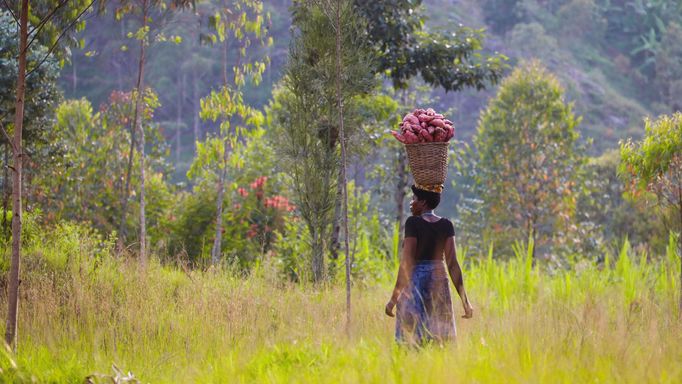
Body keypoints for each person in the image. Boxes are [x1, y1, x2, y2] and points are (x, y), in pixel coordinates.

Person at [385, 185, 473, 346]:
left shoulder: (413, 223)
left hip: (416, 285)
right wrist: (465, 302)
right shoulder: (447, 225)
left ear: (423, 202)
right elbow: (452, 264)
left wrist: (393, 299)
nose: (411, 202)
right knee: (439, 340)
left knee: (412, 342)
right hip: (439, 283)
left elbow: (407, 262)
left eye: (415, 199)